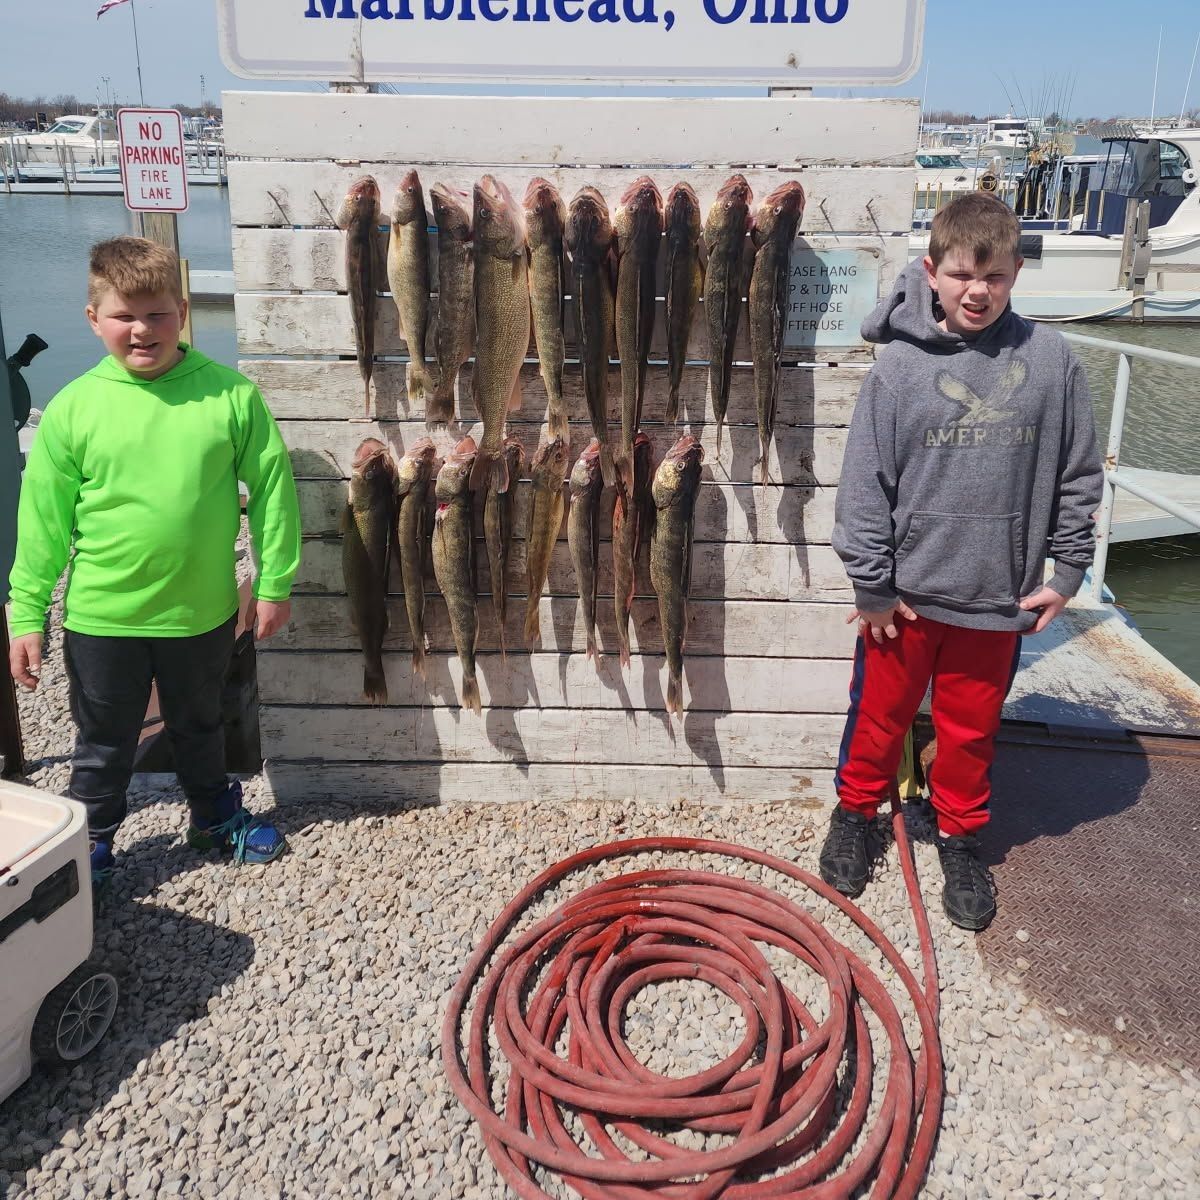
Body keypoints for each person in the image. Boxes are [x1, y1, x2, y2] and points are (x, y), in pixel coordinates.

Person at [821, 193, 1103, 931]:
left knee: (970, 732)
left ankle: (959, 835)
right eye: (961, 274)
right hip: (905, 602)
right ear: (932, 272)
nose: (978, 291)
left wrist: (1066, 572)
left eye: (996, 277)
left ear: (1015, 274)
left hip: (996, 599)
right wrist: (872, 584)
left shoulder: (1049, 363)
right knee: (877, 721)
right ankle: (855, 814)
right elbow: (863, 487)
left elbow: (1079, 474)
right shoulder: (899, 369)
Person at [7, 236, 301, 885]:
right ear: (93, 319)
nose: (142, 330)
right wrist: (27, 613)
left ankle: (214, 818)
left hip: (200, 613)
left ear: (184, 312)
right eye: (123, 315)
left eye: (159, 314)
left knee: (200, 725)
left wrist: (274, 579)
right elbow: (43, 525)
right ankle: (88, 848)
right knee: (103, 742)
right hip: (101, 617)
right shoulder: (74, 408)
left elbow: (272, 488)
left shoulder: (229, 397)